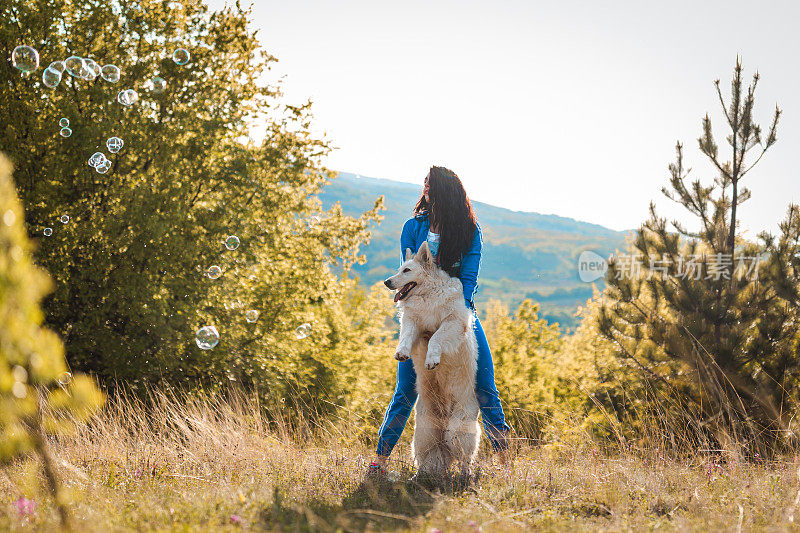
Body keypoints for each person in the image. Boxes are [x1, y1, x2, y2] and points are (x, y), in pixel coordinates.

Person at [369, 165, 512, 475]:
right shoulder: (412, 227)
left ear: (445, 193)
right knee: (406, 388)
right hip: (419, 312)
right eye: (425, 185)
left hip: (454, 313)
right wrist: (421, 320)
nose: (426, 190)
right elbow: (410, 275)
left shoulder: (469, 231)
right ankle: (378, 462)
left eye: (431, 185)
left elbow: (469, 281)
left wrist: (449, 319)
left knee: (485, 386)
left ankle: (506, 463)